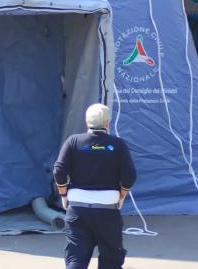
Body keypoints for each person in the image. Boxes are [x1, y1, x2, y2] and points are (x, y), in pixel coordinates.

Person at [54, 104, 137, 269]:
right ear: (108, 122)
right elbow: (130, 175)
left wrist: (64, 195)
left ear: (87, 122)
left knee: (76, 258)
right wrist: (122, 195)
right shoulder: (118, 144)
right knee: (111, 259)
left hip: (78, 208)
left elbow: (59, 171)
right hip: (108, 209)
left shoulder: (74, 141)